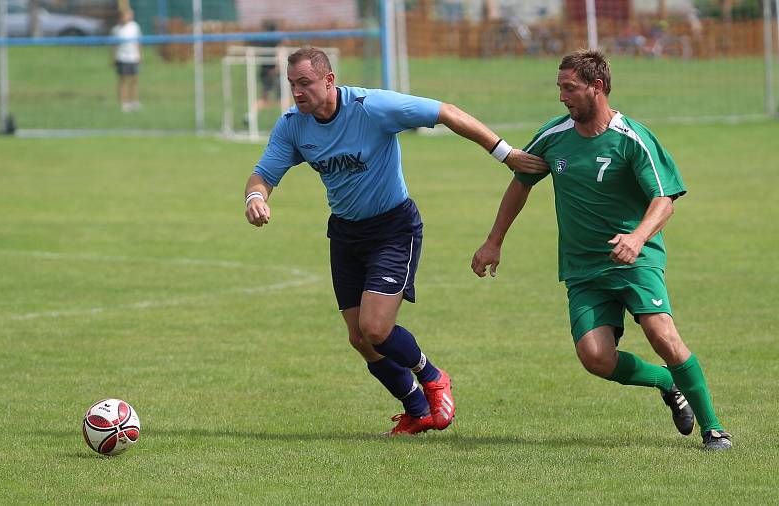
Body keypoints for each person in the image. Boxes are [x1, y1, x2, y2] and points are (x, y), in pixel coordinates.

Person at [244, 47, 548, 436]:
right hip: (345, 233)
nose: (297, 92)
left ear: (329, 80)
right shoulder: (293, 126)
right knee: (360, 339)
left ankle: (434, 377)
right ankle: (417, 409)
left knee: (375, 328)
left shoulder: (373, 107)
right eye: (292, 85)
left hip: (393, 229)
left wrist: (506, 154)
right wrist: (256, 198)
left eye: (304, 83)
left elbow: (447, 113)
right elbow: (263, 174)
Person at [471, 49, 732, 450]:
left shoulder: (632, 139)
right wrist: (494, 241)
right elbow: (521, 181)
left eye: (569, 88)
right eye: (559, 87)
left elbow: (664, 200)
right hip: (583, 268)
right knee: (595, 358)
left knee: (662, 334)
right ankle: (667, 381)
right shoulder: (554, 137)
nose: (562, 96)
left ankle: (713, 428)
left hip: (635, 258)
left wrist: (637, 238)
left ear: (597, 87)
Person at [111, 8, 142, 112]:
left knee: (134, 80)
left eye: (129, 15)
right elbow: (114, 46)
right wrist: (113, 58)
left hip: (133, 57)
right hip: (122, 57)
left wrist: (140, 55)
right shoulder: (116, 29)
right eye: (126, 15)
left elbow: (138, 42)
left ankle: (134, 101)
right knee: (123, 80)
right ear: (121, 17)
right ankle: (124, 103)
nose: (128, 17)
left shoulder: (134, 27)